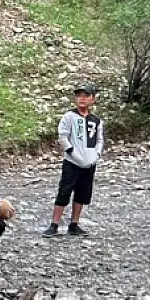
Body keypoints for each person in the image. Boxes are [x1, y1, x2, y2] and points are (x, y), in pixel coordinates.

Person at [46, 84, 105, 238]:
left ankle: (74, 223)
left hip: (90, 161)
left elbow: (99, 139)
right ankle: (54, 224)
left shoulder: (96, 121)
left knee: (83, 193)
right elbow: (63, 135)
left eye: (85, 96)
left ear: (92, 98)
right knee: (64, 191)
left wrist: (97, 155)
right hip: (72, 161)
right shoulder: (69, 116)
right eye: (79, 96)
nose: (82, 99)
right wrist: (70, 150)